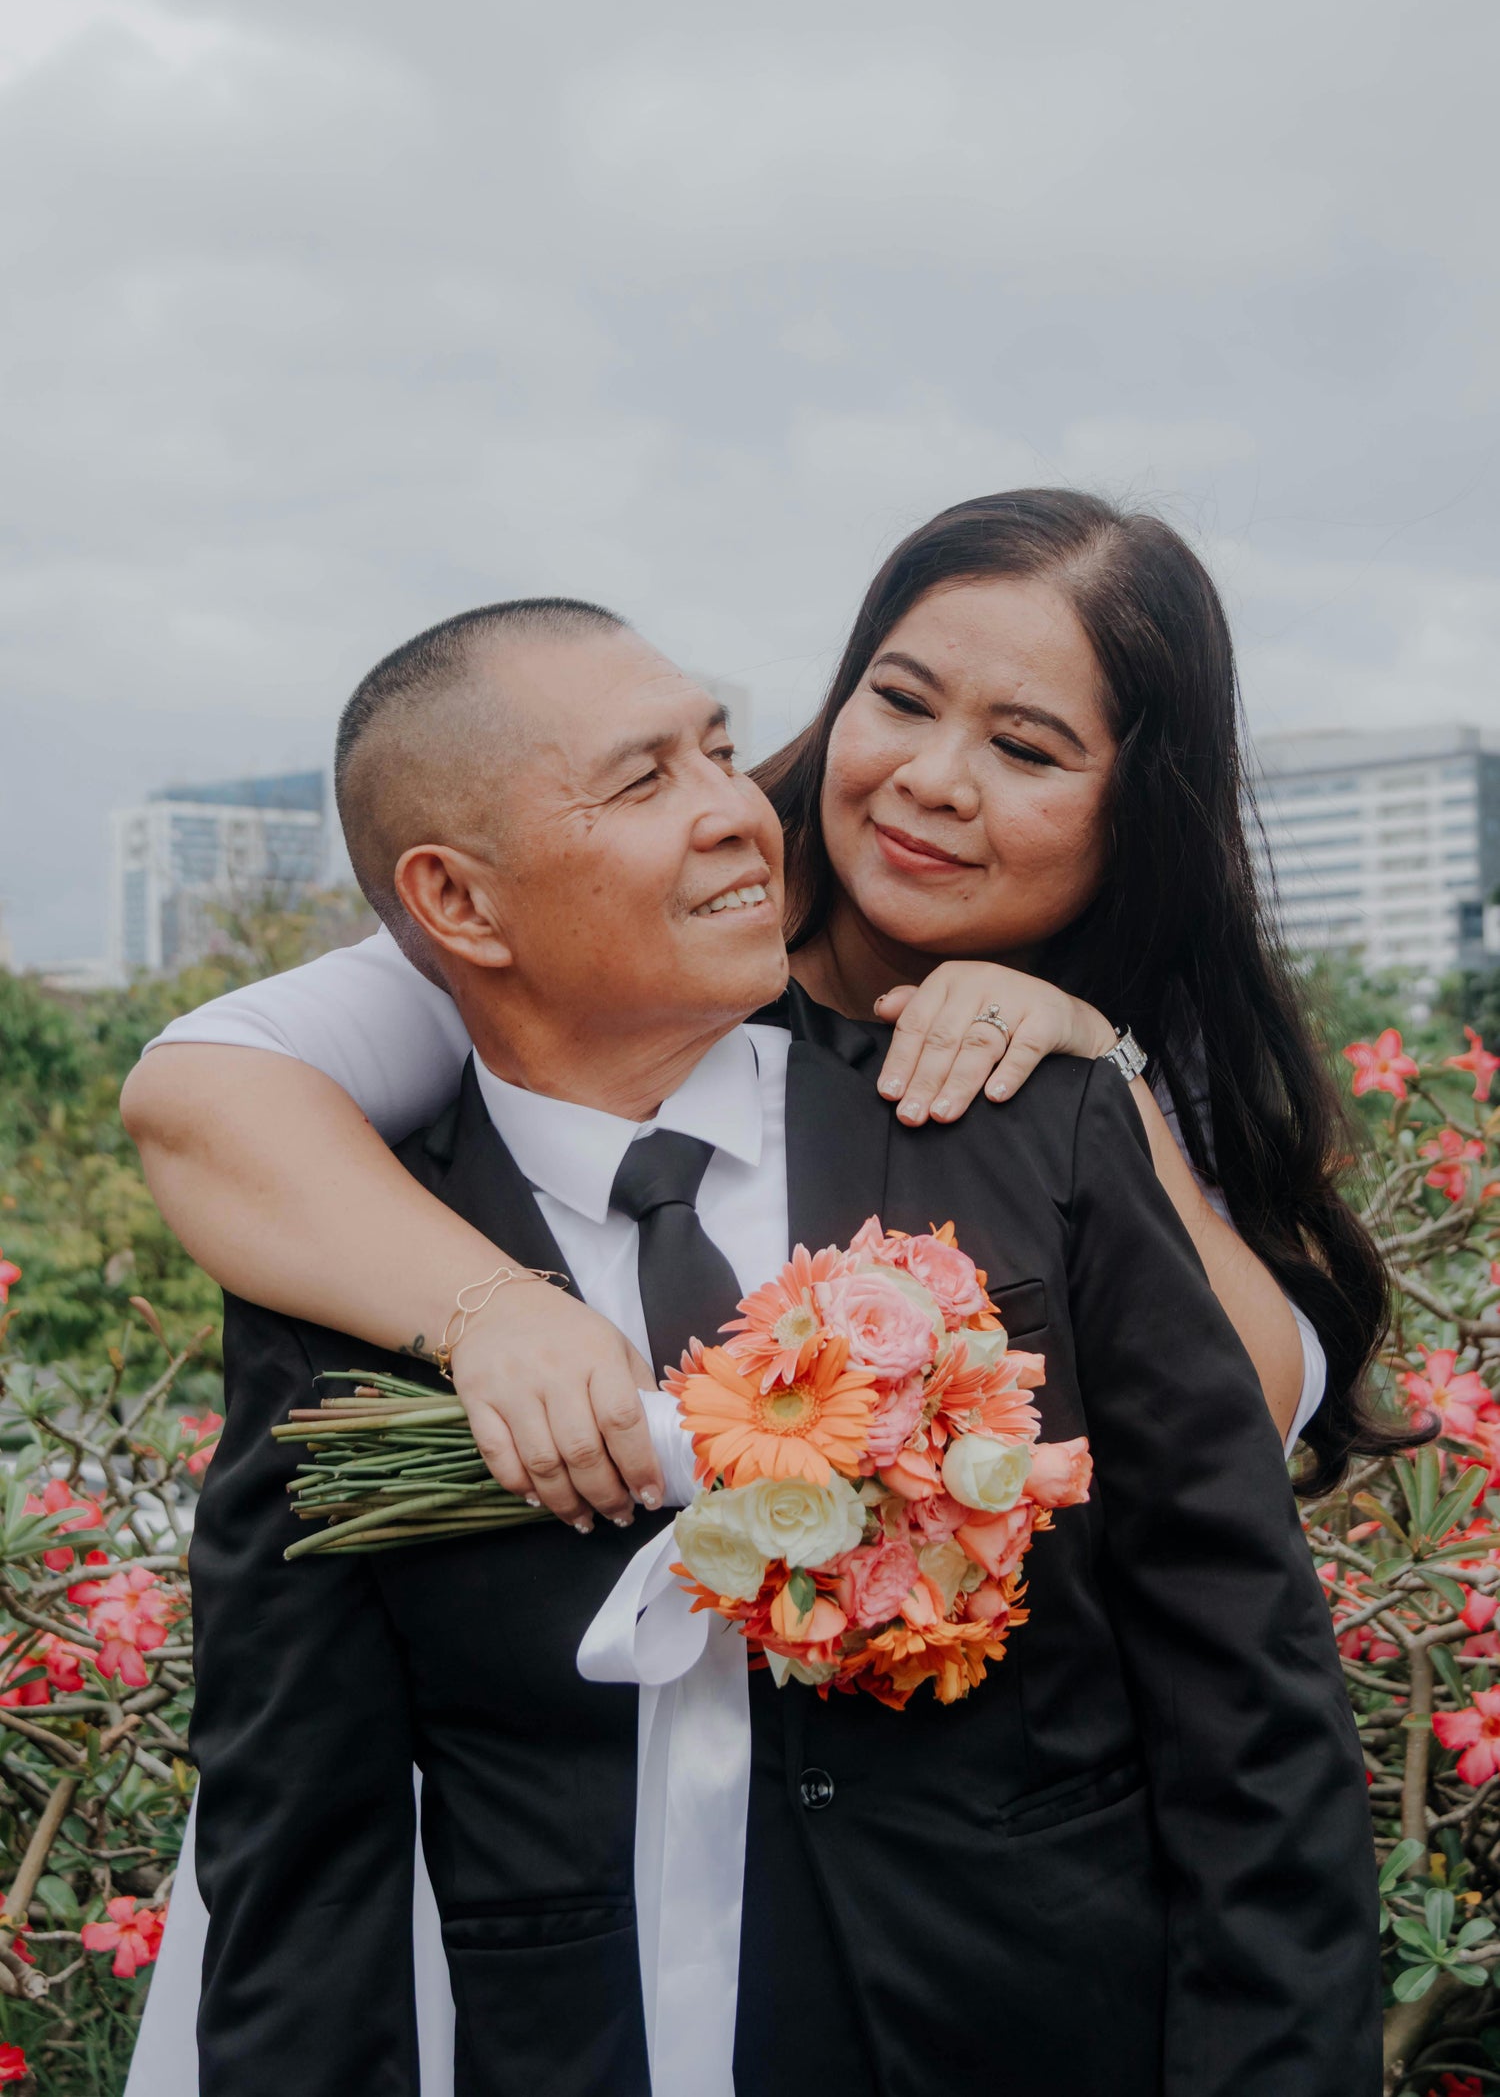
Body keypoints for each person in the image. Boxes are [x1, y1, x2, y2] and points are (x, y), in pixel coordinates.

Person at [158, 596, 1377, 2096]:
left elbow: (1244, 1699)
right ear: (459, 906)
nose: (740, 811)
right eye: (645, 780)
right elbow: (300, 1832)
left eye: (724, 751)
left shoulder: (1024, 1137)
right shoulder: (350, 1261)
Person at [124, 492, 1399, 1544]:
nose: (930, 780)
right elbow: (203, 1097)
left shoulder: (1132, 1034)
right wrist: (494, 1310)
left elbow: (1240, 1409)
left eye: (1025, 749)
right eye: (899, 701)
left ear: (1141, 811)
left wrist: (1097, 1066)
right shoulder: (617, 934)